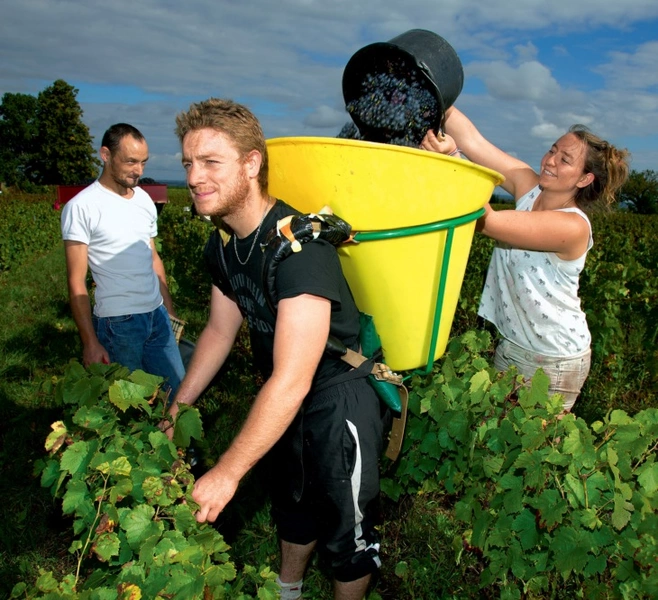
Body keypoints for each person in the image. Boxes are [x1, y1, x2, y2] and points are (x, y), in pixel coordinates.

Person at [165, 98, 385, 600]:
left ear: (251, 164)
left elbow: (294, 379)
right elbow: (221, 333)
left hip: (336, 398)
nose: (195, 176)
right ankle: (289, 591)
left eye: (210, 162)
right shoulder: (223, 243)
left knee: (347, 535)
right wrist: (178, 407)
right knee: (292, 503)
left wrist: (226, 472)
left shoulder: (298, 251)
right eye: (187, 164)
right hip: (283, 395)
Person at [420, 107, 629, 413]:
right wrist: (442, 101)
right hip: (513, 343)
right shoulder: (529, 189)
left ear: (585, 179)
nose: (550, 160)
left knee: (535, 450)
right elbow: (473, 142)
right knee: (497, 441)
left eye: (565, 159)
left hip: (554, 358)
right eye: (552, 150)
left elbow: (485, 221)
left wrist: (452, 158)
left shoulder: (572, 226)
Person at [61, 123, 185, 398]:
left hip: (158, 317)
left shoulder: (143, 200)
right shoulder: (81, 207)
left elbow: (153, 257)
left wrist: (169, 310)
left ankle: (179, 443)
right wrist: (90, 342)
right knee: (131, 404)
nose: (139, 171)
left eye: (143, 162)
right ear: (105, 155)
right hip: (119, 323)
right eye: (130, 161)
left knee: (178, 395)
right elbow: (76, 281)